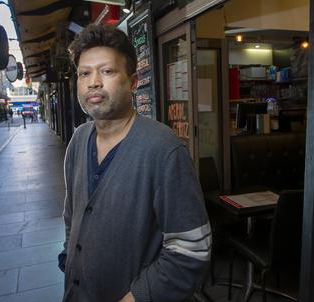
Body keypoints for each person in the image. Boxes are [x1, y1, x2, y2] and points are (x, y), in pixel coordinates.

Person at [58, 24, 211, 302]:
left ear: (133, 81)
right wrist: (70, 256)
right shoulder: (78, 140)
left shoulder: (163, 149)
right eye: (84, 73)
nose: (93, 82)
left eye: (107, 71)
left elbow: (192, 250)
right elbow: (72, 214)